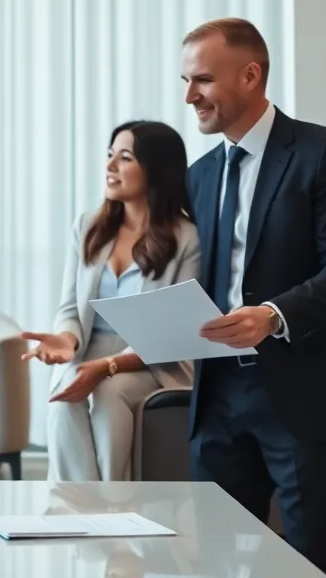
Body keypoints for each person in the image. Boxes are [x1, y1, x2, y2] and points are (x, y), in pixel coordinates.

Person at [181, 17, 326, 574]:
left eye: (201, 80)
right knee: (215, 560)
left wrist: (273, 316)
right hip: (218, 396)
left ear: (250, 75)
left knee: (314, 562)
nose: (189, 96)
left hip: (307, 394)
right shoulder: (198, 176)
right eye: (185, 81)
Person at [22, 120, 199, 483]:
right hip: (89, 349)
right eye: (108, 156)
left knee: (108, 391)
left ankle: (114, 501)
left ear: (155, 169)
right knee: (63, 397)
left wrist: (108, 366)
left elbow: (174, 331)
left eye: (125, 158)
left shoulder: (187, 238)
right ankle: (82, 509)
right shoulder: (88, 226)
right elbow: (70, 309)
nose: (110, 167)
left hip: (152, 361)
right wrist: (67, 341)